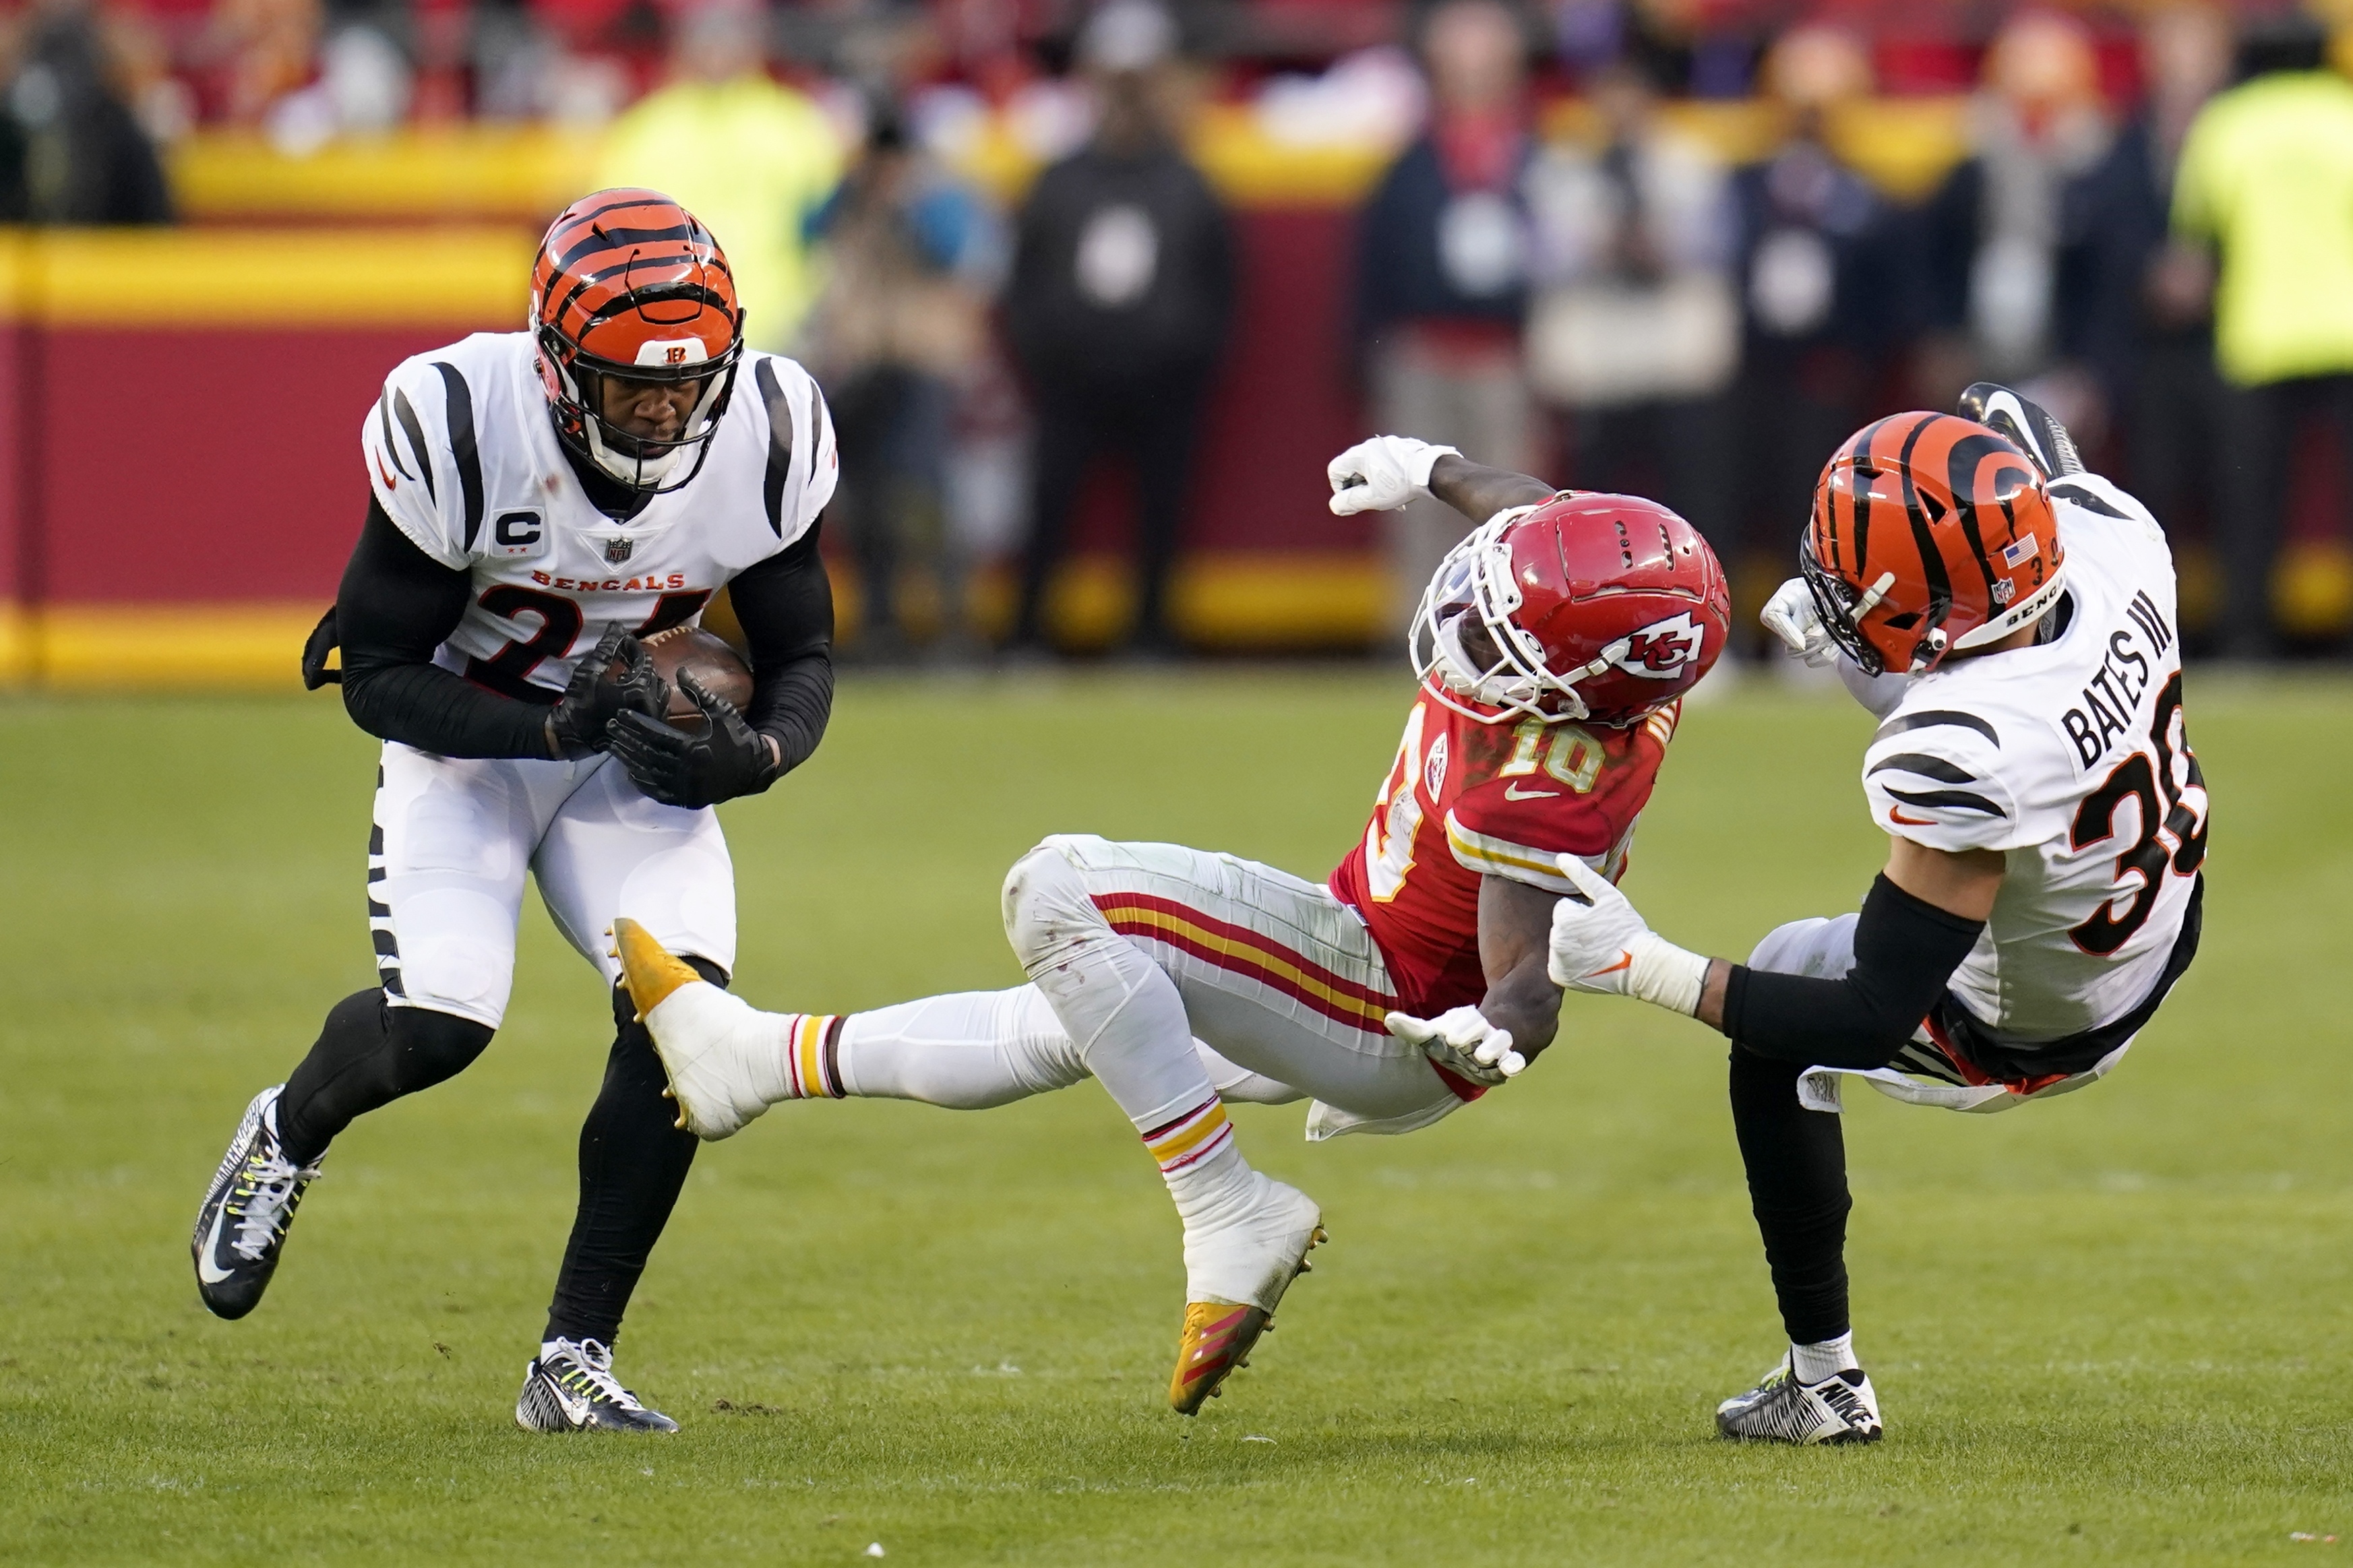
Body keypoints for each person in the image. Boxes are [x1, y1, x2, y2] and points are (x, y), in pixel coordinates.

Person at [609, 434, 1729, 1413]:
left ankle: (1228, 1206)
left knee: (1059, 892)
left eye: (1504, 642)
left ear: (1586, 687)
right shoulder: (1602, 621)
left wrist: (1505, 1024)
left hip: (1389, 1006)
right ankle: (753, 1060)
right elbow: (1535, 516)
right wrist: (1432, 465)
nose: (1471, 635)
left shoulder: (1544, 768)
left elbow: (1528, 979)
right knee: (1083, 1010)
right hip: (1365, 938)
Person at [189, 190, 841, 1435]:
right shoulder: (459, 420)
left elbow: (803, 652)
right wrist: (549, 727)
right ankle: (285, 1128)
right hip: (472, 745)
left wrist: (753, 756)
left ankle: (571, 1358)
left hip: (625, 763)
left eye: (687, 380)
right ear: (554, 366)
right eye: (627, 382)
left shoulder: (764, 423)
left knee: (682, 1030)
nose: (662, 407)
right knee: (440, 1025)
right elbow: (376, 675)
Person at [1544, 386, 2207, 1444]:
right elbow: (2031, 432)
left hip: (2035, 1024)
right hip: (2159, 920)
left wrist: (1642, 964)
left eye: (1855, 583)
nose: (1829, 592)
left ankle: (1823, 1383)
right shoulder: (2115, 543)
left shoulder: (1961, 752)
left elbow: (1865, 1013)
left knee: (1776, 1010)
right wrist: (1988, 421)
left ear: (1937, 608)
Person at [1000, 0, 1234, 658]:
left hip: (1162, 382)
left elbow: (1218, 286)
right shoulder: (1060, 179)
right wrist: (1047, 355)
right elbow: (1025, 279)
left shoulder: (1187, 181)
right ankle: (1028, 632)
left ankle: (1151, 633)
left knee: (1161, 513)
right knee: (1049, 507)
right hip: (1070, 379)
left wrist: (1185, 356)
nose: (1128, 99)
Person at [1351, 0, 1542, 636]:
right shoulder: (1411, 159)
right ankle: (1418, 630)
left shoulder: (1532, 154)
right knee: (1413, 499)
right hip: (1422, 349)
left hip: (1502, 352)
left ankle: (1504, 633)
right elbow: (1375, 258)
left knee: (1509, 503)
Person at [2170, 17, 2353, 657]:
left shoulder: (2226, 124)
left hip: (2258, 333)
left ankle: (2249, 639)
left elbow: (2195, 238)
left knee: (2251, 500)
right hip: (2343, 329)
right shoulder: (2344, 114)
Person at [804, 98, 1002, 662]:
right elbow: (808, 229)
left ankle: (953, 627)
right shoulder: (852, 197)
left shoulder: (942, 196)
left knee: (925, 498)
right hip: (862, 361)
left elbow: (957, 254)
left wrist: (912, 201)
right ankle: (881, 623)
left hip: (923, 363)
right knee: (861, 501)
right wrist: (854, 187)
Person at [1523, 56, 1738, 559]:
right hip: (1600, 367)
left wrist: (1663, 247)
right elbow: (1538, 257)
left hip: (1676, 362)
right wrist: (1595, 246)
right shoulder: (1562, 169)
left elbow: (1724, 247)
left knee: (1695, 503)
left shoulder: (1689, 163)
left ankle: (1713, 616)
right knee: (1592, 513)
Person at [1728, 26, 1902, 618]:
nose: (1808, 123)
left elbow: (1883, 294)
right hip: (1751, 369)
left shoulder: (1865, 197)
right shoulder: (1742, 186)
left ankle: (1817, 618)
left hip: (1825, 375)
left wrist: (1855, 362)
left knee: (1825, 508)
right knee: (1739, 495)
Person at [2057, 4, 2232, 594]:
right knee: (2150, 494)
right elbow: (2102, 238)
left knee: (2240, 487)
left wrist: (2214, 274)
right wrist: (2150, 274)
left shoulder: (2241, 130)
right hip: (2147, 345)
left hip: (2229, 339)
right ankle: (2155, 619)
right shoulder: (2124, 140)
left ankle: (2247, 631)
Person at [597, 0, 844, 353]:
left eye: (730, 33)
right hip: (668, 335)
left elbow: (834, 235)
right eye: (707, 34)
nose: (718, 47)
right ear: (682, 42)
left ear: (757, 41)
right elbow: (611, 245)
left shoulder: (800, 127)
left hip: (787, 331)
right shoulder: (640, 134)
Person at [1914, 12, 2112, 409]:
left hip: (2056, 355)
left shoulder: (2095, 178)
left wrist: (2089, 368)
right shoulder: (1969, 171)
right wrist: (1940, 339)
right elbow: (1932, 258)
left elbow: (2106, 280)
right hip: (1975, 347)